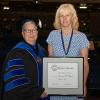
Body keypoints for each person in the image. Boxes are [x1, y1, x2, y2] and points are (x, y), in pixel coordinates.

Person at [46, 4, 89, 99]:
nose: (64, 18)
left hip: (75, 85)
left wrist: (83, 84)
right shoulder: (52, 35)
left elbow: (85, 64)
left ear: (73, 17)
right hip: (57, 85)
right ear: (58, 18)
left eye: (67, 15)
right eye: (61, 16)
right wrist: (48, 83)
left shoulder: (81, 37)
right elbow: (50, 60)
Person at [1, 19, 48, 100]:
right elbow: (16, 81)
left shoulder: (42, 51)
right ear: (22, 34)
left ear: (37, 32)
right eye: (27, 30)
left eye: (33, 30)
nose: (31, 33)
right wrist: (38, 93)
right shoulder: (16, 53)